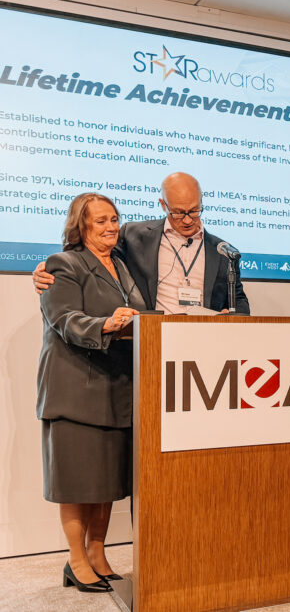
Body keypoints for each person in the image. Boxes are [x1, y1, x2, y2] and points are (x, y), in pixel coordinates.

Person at [37, 193, 146, 592]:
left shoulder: (122, 265)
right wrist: (106, 324)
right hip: (75, 389)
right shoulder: (62, 264)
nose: (111, 227)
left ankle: (97, 553)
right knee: (78, 481)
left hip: (117, 387)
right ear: (80, 226)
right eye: (101, 221)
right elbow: (64, 319)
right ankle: (76, 560)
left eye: (114, 219)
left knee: (106, 481)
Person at [34, 172, 249, 314]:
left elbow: (238, 299)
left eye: (194, 211)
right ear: (163, 205)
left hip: (201, 341)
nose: (187, 220)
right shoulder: (133, 235)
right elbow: (93, 254)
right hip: (152, 337)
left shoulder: (222, 250)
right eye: (178, 212)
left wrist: (232, 316)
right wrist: (53, 268)